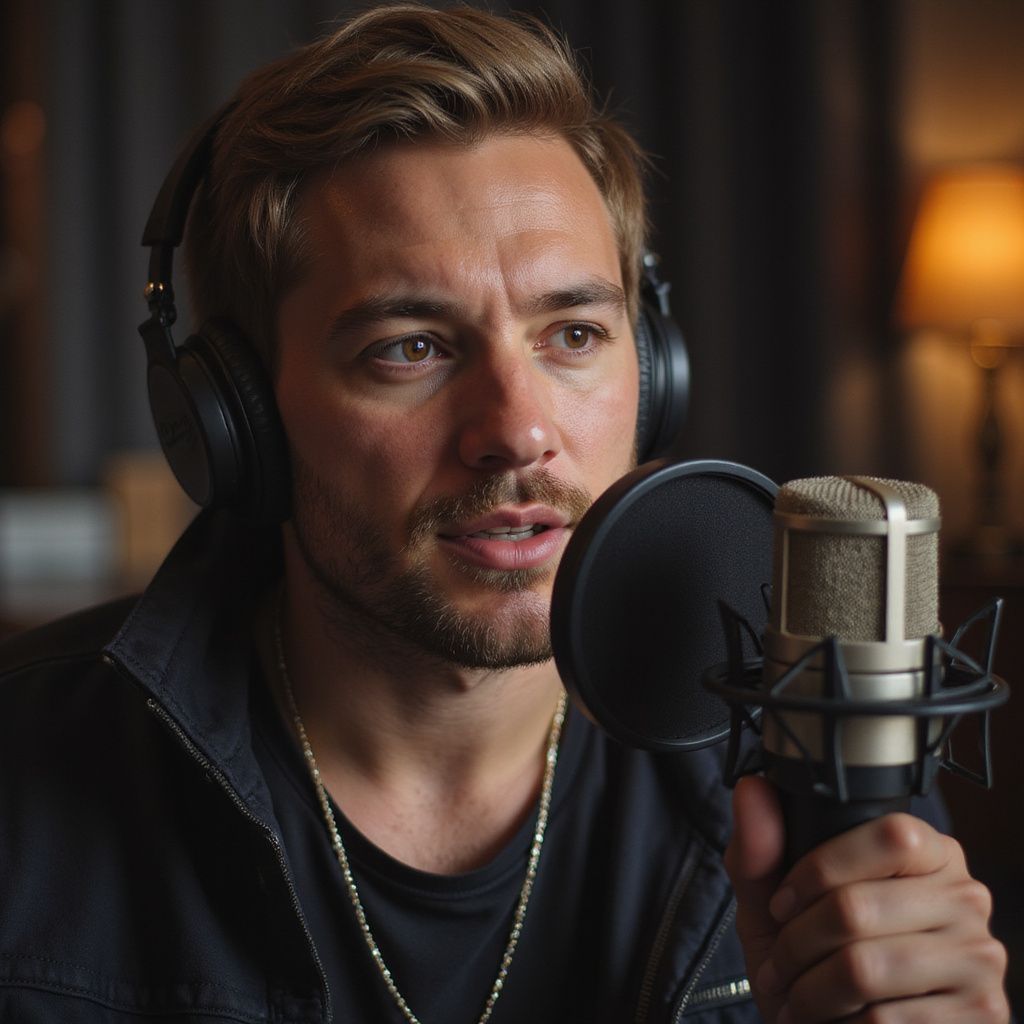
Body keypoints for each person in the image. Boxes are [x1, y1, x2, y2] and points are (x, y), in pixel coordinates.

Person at [0, 5, 1009, 1023]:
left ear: (652, 375)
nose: (519, 430)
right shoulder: (26, 783)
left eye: (572, 332)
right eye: (411, 347)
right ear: (240, 418)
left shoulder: (813, 767)